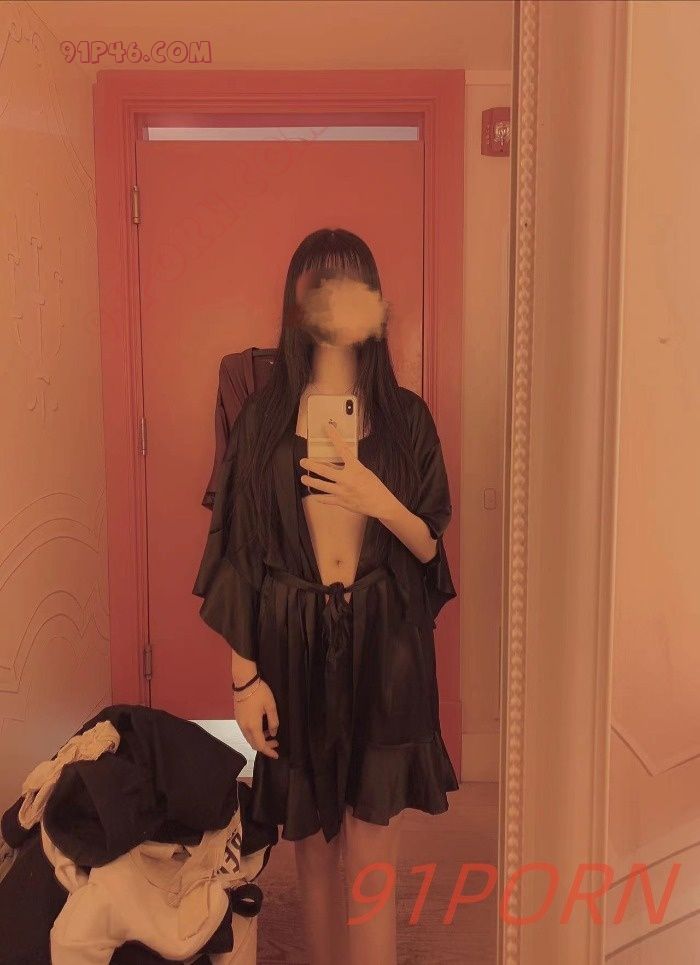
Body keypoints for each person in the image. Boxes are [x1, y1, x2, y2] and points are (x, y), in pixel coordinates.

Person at [193, 227, 459, 965]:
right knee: (310, 847)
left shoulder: (406, 418)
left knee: (372, 850)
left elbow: (430, 547)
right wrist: (243, 677)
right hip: (292, 644)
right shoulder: (263, 421)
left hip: (385, 643)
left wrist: (380, 499)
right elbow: (239, 555)